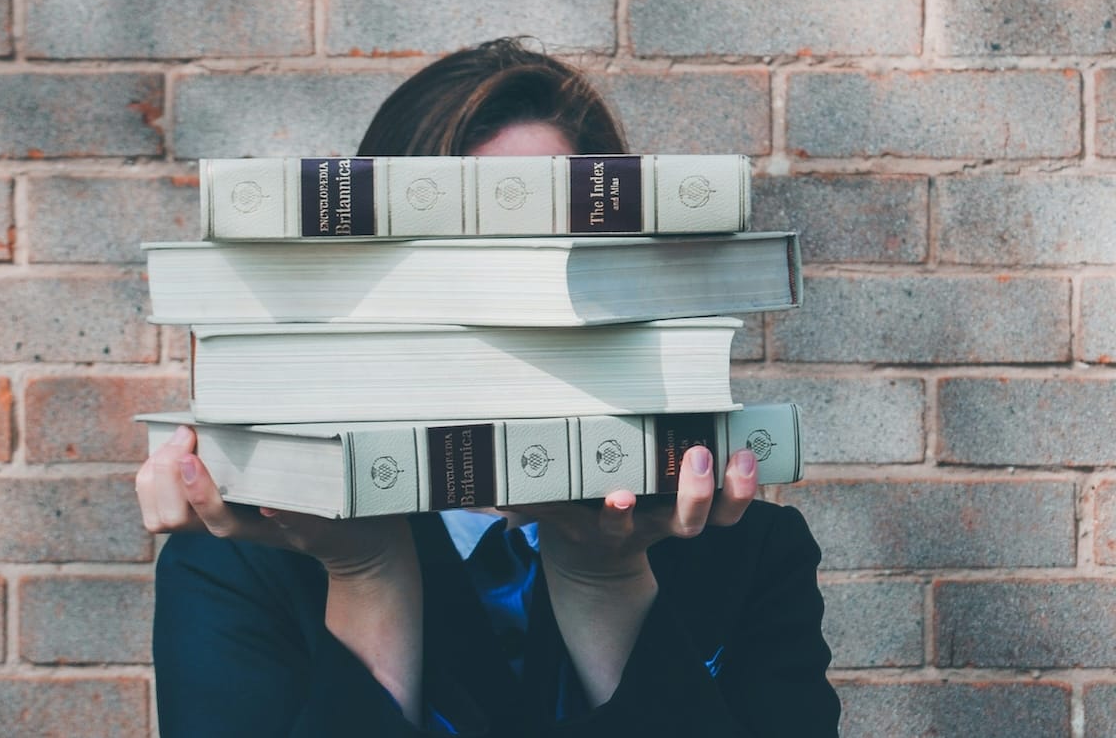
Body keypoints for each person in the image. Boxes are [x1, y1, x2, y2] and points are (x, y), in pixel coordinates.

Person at [137, 37, 840, 737]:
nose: (520, 313)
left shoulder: (748, 551)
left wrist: (608, 585)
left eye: (553, 259)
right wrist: (366, 573)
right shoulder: (245, 561)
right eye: (466, 263)